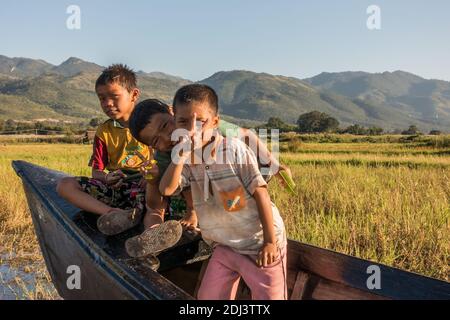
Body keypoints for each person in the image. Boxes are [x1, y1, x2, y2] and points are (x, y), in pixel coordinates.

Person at [161, 84, 287, 300]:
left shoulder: (233, 150)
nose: (192, 130)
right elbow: (167, 188)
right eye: (184, 122)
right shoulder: (187, 159)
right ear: (175, 124)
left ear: (216, 122)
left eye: (201, 122)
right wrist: (179, 156)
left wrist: (269, 242)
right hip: (224, 245)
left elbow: (262, 195)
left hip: (259, 243)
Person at [126, 98, 292, 259]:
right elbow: (159, 199)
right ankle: (153, 239)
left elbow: (247, 135)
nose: (167, 137)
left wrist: (273, 163)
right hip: (200, 190)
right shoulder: (163, 154)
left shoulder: (206, 125)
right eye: (156, 140)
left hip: (230, 182)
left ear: (173, 112)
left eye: (165, 125)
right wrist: (152, 180)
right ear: (152, 147)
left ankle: (209, 220)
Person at [56, 64, 182, 252]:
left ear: (134, 94)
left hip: (147, 187)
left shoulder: (153, 125)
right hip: (119, 189)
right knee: (64, 185)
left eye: (114, 97)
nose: (107, 103)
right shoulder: (104, 132)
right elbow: (97, 171)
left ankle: (150, 235)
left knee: (154, 202)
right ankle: (113, 214)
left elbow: (163, 164)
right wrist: (107, 178)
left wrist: (148, 179)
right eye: (102, 99)